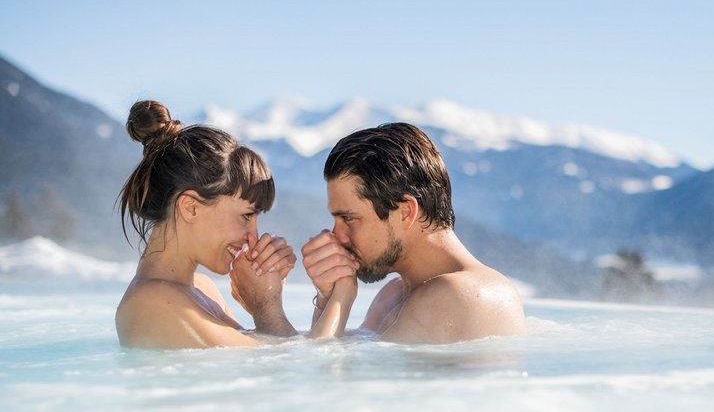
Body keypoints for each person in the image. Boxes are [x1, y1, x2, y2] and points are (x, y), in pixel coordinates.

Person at [115, 100, 356, 348]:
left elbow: (273, 358)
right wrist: (341, 295)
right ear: (191, 207)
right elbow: (286, 372)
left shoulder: (200, 288)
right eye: (246, 216)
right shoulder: (152, 303)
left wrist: (323, 299)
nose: (253, 236)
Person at [301, 123, 527, 343]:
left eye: (348, 218)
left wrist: (341, 299)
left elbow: (328, 376)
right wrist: (327, 298)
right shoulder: (393, 295)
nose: (337, 235)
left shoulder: (456, 296)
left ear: (406, 211)